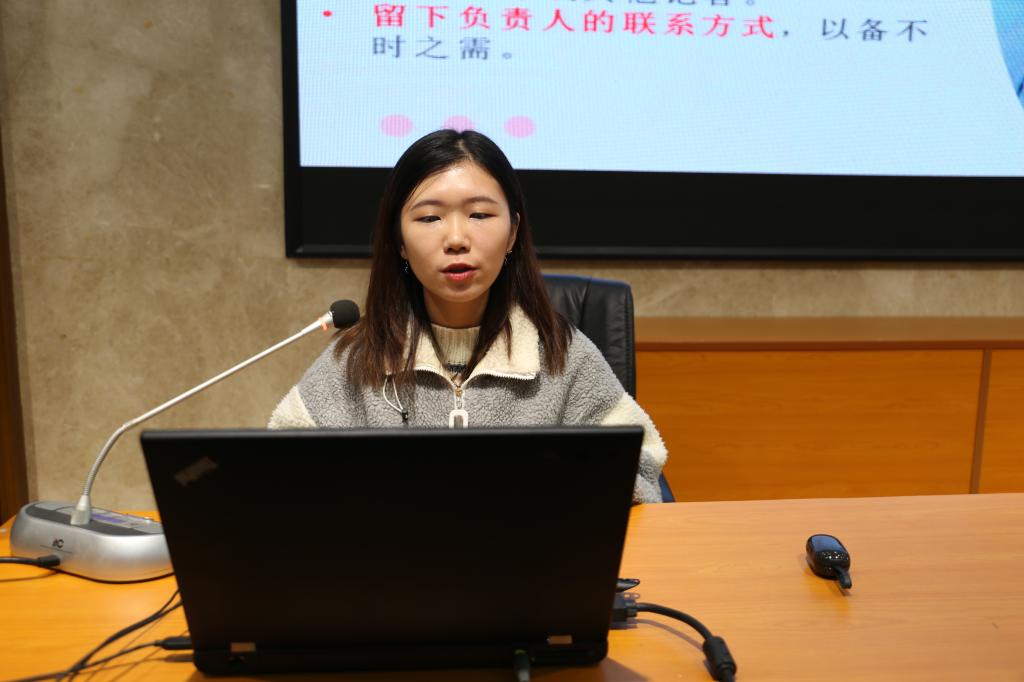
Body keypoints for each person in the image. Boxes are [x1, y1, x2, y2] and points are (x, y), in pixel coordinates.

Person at [269, 129, 668, 503]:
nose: (457, 239)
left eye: (479, 215)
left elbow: (642, 467)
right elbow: (280, 471)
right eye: (429, 218)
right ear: (399, 242)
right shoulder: (356, 359)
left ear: (513, 232)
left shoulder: (563, 355)